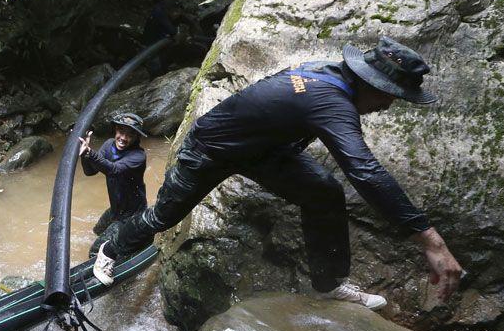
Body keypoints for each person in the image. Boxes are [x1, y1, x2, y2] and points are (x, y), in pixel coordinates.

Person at [92, 36, 463, 310]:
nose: (386, 105)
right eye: (389, 95)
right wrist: (432, 242)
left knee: (323, 189)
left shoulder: (330, 73)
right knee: (165, 215)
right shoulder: (329, 99)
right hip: (208, 149)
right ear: (371, 83)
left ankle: (329, 283)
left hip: (263, 151)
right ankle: (112, 247)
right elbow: (364, 171)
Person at [78, 113, 149, 256]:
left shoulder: (138, 157)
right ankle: (117, 249)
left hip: (131, 215)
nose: (123, 138)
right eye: (121, 132)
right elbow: (90, 172)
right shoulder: (109, 145)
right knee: (97, 231)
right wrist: (85, 155)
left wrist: (91, 152)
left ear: (136, 137)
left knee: (95, 251)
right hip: (116, 209)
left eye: (129, 135)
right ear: (116, 130)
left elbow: (114, 170)